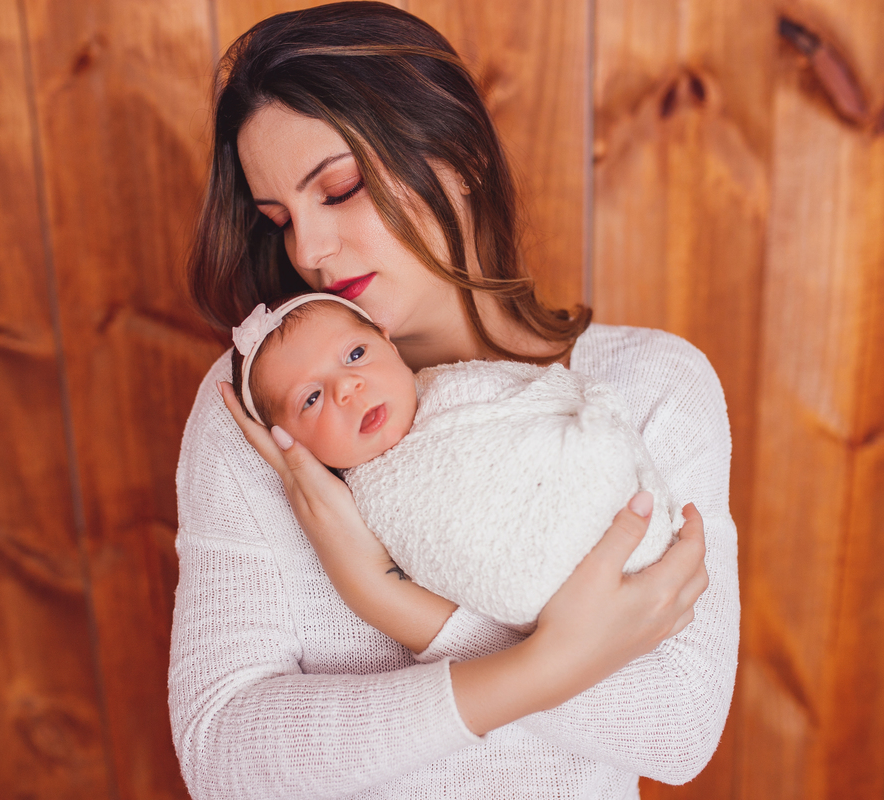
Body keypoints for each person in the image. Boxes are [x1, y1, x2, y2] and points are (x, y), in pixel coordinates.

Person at [170, 3, 738, 798]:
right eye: (280, 220)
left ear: (458, 152)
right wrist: (545, 663)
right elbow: (222, 757)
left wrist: (400, 606)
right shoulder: (271, 411)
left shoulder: (648, 389)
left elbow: (678, 729)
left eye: (337, 189)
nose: (308, 251)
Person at [226, 293, 683, 626]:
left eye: (356, 354)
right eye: (311, 398)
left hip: (610, 505)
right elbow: (458, 553)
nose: (346, 387)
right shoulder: (363, 503)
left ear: (388, 343)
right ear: (289, 441)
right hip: (537, 573)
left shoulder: (454, 385)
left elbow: (547, 394)